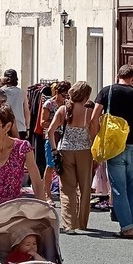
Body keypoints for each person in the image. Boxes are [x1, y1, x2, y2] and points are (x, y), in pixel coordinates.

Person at [92, 66, 133, 240]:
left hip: (114, 145)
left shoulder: (107, 91)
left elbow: (94, 117)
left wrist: (99, 136)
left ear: (117, 76)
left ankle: (127, 227)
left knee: (118, 187)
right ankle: (129, 221)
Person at [0, 103, 48, 217]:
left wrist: (43, 211)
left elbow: (36, 182)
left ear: (7, 127)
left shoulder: (22, 148)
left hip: (14, 212)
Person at [47, 82, 97, 234]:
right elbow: (95, 133)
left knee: (67, 188)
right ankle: (82, 222)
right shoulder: (89, 111)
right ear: (86, 96)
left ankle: (69, 224)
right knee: (85, 187)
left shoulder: (63, 109)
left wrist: (54, 150)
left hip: (65, 149)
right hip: (85, 150)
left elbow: (50, 131)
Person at [1, 71, 28, 139]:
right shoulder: (21, 93)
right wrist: (27, 127)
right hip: (20, 126)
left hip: (4, 126)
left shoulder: (0, 92)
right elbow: (26, 111)